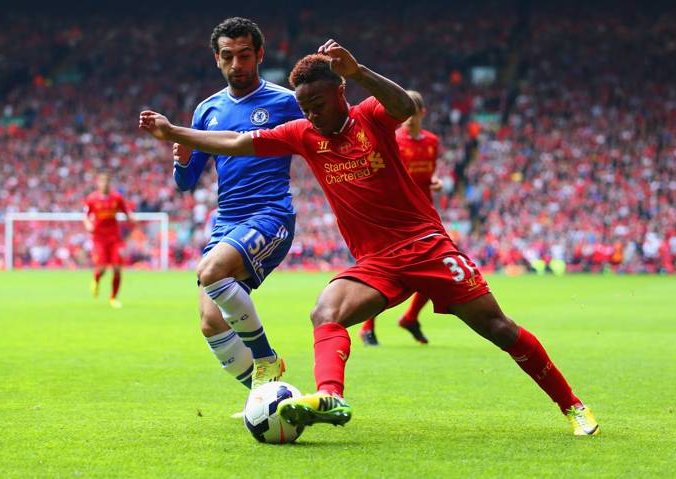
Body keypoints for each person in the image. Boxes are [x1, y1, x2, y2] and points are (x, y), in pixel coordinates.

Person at [139, 40, 600, 436]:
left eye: (317, 103)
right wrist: (173, 132)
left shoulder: (370, 116)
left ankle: (573, 406)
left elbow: (403, 107)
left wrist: (358, 71)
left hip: (426, 246)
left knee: (498, 329)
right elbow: (239, 143)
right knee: (326, 310)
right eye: (303, 107)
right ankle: (329, 397)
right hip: (376, 261)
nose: (311, 114)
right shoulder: (302, 133)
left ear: (340, 91)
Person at [173, 17, 303, 390]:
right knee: (210, 322)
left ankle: (266, 358)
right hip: (227, 222)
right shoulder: (206, 110)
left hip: (270, 214)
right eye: (227, 56)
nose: (236, 65)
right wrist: (182, 159)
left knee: (211, 270)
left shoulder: (285, 102)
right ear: (216, 59)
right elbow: (185, 183)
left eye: (244, 55)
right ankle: (265, 398)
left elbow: (318, 144)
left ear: (259, 55)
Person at [359, 90, 443, 346]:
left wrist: (433, 182)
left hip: (425, 213)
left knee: (439, 267)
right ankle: (368, 327)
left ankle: (410, 317)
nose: (406, 118)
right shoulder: (392, 140)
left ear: (421, 113)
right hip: (397, 216)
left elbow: (425, 177)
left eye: (411, 112)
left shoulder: (432, 142)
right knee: (386, 273)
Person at [84, 172, 133, 309]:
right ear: (98, 183)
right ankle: (96, 278)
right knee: (103, 267)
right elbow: (86, 216)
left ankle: (113, 298)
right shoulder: (91, 199)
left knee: (117, 268)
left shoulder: (116, 198)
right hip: (99, 238)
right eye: (102, 182)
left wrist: (131, 219)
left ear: (109, 183)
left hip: (115, 238)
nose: (104, 184)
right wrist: (88, 224)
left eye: (106, 182)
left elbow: (127, 212)